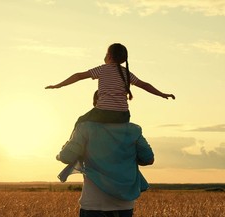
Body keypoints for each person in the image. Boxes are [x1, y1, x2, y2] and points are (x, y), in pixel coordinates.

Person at [46, 43, 174, 180]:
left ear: (110, 56)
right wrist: (161, 94)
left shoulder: (103, 69)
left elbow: (78, 76)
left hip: (104, 112)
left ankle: (73, 150)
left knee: (80, 121)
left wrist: (58, 85)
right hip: (123, 116)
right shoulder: (126, 73)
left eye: (106, 53)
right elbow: (144, 85)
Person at [56, 120, 154, 217]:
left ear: (96, 104)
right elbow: (148, 159)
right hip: (124, 203)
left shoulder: (85, 127)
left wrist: (61, 152)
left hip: (93, 202)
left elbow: (66, 157)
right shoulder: (133, 130)